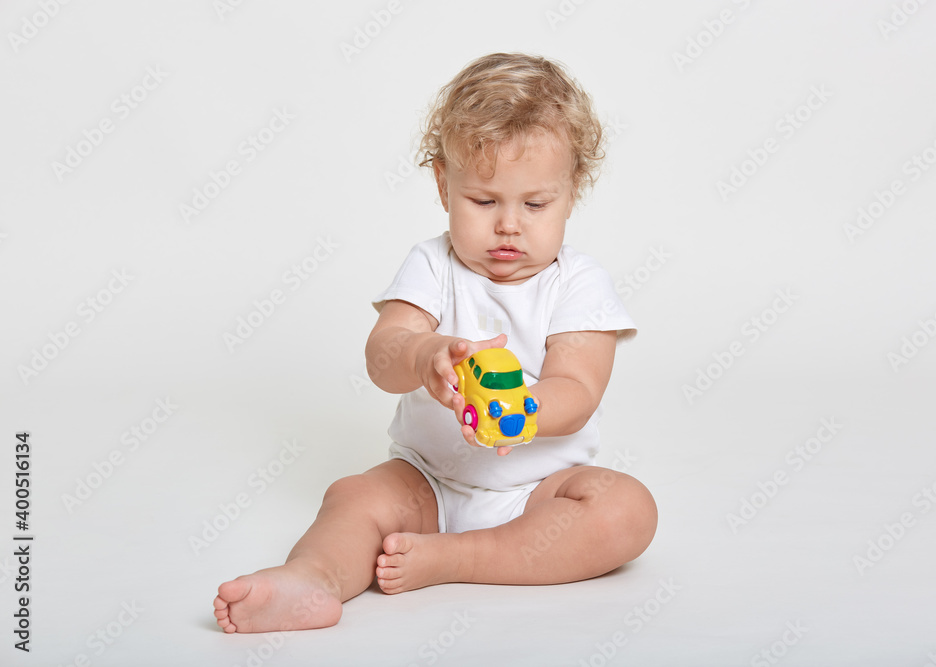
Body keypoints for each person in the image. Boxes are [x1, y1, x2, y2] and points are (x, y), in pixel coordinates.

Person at [214, 52, 658, 633]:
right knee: (354, 497)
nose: (508, 224)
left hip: (538, 496)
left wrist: (522, 412)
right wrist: (423, 355)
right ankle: (310, 579)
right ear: (444, 184)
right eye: (484, 201)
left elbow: (577, 388)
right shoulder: (432, 265)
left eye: (535, 204)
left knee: (626, 511)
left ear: (571, 193)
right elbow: (383, 354)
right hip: (427, 483)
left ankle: (460, 559)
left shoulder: (579, 283)